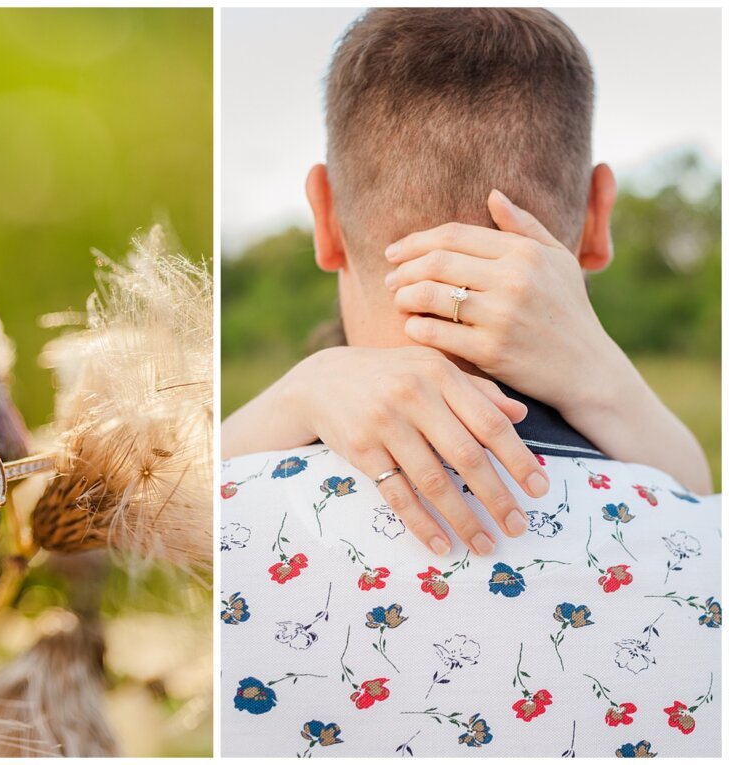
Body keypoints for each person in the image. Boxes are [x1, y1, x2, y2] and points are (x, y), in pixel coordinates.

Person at [221, 8, 720, 758]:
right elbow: (699, 498)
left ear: (323, 214)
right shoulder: (705, 547)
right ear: (598, 217)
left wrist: (297, 391)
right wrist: (609, 381)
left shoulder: (216, 528)